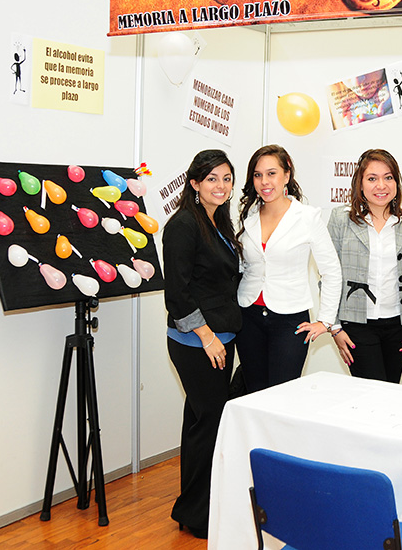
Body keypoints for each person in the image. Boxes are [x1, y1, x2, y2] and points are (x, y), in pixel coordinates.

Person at [161, 149, 241, 539]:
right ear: (194, 183)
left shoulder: (218, 221)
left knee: (199, 422)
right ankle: (197, 514)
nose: (221, 186)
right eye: (212, 179)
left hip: (220, 337)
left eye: (226, 178)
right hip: (197, 343)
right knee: (208, 424)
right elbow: (177, 293)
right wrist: (207, 336)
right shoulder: (183, 225)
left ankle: (193, 507)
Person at [236, 144, 341, 392]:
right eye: (258, 175)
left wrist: (325, 320)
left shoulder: (307, 217)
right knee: (254, 393)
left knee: (283, 395)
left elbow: (331, 271)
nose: (264, 181)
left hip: (290, 319)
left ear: (287, 174)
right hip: (248, 317)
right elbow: (243, 267)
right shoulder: (248, 216)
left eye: (271, 173)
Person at [327, 149, 402, 383]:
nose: (381, 185)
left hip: (400, 325)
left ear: (397, 183)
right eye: (372, 178)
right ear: (360, 184)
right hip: (357, 324)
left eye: (388, 177)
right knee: (372, 392)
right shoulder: (341, 219)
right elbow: (330, 276)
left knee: (390, 390)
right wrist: (334, 326)